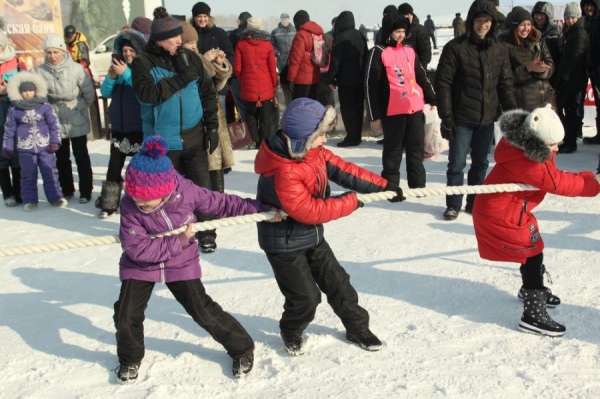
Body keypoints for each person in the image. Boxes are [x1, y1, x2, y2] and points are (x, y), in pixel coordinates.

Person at [113, 135, 282, 384]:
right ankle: (129, 359)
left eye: (145, 201)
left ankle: (242, 348)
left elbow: (222, 204)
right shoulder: (130, 207)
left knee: (202, 310)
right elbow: (139, 251)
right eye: (135, 199)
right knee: (126, 315)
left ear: (164, 191)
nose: (139, 204)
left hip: (180, 262)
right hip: (140, 266)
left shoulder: (185, 192)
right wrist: (178, 240)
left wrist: (260, 210)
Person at [254, 98, 406, 356]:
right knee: (306, 298)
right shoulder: (284, 170)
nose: (325, 140)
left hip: (311, 236)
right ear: (303, 138)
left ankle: (357, 327)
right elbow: (309, 210)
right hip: (284, 244)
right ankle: (291, 330)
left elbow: (346, 171)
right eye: (321, 135)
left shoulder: (313, 152)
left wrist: (383, 187)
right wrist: (352, 201)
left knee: (339, 284)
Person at [473, 106, 600, 337]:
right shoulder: (529, 161)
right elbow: (559, 183)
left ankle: (531, 288)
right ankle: (533, 314)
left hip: (512, 209)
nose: (557, 148)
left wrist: (589, 177)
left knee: (533, 249)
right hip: (501, 214)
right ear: (538, 140)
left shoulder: (525, 148)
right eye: (553, 144)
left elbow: (556, 176)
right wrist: (594, 184)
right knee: (532, 253)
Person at [131, 7, 220, 253]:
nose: (180, 41)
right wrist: (181, 78)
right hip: (162, 143)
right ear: (159, 40)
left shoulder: (190, 58)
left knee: (202, 190)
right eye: (174, 37)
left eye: (180, 36)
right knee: (166, 195)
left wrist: (211, 127)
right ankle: (171, 235)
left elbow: (208, 94)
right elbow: (147, 95)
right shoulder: (142, 62)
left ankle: (207, 233)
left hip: (193, 137)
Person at [435, 0, 516, 220]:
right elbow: (443, 83)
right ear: (471, 22)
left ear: (492, 23)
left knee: (481, 163)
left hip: (487, 118)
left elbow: (505, 84)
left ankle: (474, 202)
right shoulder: (456, 47)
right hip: (461, 117)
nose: (483, 25)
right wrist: (447, 116)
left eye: (487, 21)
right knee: (457, 164)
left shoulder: (499, 50)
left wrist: (513, 115)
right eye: (479, 20)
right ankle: (453, 203)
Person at [366, 12, 436, 189]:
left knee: (415, 148)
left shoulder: (409, 51)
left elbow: (421, 76)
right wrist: (374, 115)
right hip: (393, 110)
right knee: (393, 150)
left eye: (403, 32)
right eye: (397, 31)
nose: (401, 35)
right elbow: (369, 85)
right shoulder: (378, 52)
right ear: (389, 31)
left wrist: (434, 98)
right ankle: (391, 188)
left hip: (414, 107)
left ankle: (418, 186)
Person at [37, 33, 95, 204]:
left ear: (62, 51)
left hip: (75, 114)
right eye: (49, 53)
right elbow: (40, 96)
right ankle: (67, 189)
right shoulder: (40, 71)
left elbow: (88, 94)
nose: (53, 56)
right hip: (54, 118)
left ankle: (86, 190)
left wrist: (79, 108)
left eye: (55, 52)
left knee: (81, 155)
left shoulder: (76, 69)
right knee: (61, 158)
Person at [180, 21, 235, 198]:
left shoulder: (198, 57)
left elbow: (215, 84)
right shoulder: (186, 61)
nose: (194, 47)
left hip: (213, 116)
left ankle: (218, 202)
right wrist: (205, 59)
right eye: (190, 44)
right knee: (204, 165)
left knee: (216, 161)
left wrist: (219, 63)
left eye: (195, 44)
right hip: (197, 120)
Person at [97, 29, 147, 219]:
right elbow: (106, 92)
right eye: (125, 50)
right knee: (114, 165)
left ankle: (142, 200)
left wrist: (125, 73)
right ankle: (109, 203)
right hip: (119, 126)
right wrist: (111, 77)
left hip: (139, 126)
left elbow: (141, 87)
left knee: (140, 167)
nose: (128, 54)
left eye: (131, 50)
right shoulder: (118, 69)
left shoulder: (143, 68)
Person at [2, 72, 66, 211]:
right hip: (25, 148)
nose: (27, 94)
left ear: (36, 90)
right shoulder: (14, 108)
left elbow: (54, 124)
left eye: (30, 90)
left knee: (50, 172)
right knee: (28, 175)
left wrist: (55, 141)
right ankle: (29, 200)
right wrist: (7, 146)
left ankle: (55, 197)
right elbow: (9, 128)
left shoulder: (44, 106)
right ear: (19, 92)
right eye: (24, 91)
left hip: (45, 146)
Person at [234, 17, 278, 149]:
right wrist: (274, 84)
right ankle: (263, 141)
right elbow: (272, 68)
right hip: (266, 87)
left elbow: (237, 68)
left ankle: (253, 140)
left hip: (248, 85)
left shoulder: (241, 44)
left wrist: (244, 80)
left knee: (250, 115)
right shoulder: (267, 44)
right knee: (265, 116)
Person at [327, 10, 368, 147]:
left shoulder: (340, 37)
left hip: (346, 80)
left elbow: (336, 61)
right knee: (358, 108)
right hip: (361, 79)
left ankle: (352, 136)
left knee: (348, 109)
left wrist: (331, 78)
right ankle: (357, 135)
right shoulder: (360, 36)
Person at [502, 7, 554, 111]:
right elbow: (505, 78)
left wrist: (543, 70)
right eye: (522, 25)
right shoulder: (504, 46)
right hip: (523, 104)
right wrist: (528, 68)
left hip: (546, 102)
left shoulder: (538, 41)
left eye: (529, 24)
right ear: (514, 26)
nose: (526, 28)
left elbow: (550, 63)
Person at [555, 3, 589, 154]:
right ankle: (568, 140)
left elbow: (573, 58)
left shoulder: (579, 33)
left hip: (573, 79)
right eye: (568, 17)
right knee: (567, 110)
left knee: (568, 110)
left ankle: (570, 141)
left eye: (573, 17)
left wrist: (564, 78)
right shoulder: (571, 31)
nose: (570, 20)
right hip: (571, 78)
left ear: (578, 17)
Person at [190, 2, 235, 113]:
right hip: (194, 87)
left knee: (218, 124)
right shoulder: (190, 34)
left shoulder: (219, 33)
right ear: (194, 17)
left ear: (209, 17)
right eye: (199, 16)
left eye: (205, 16)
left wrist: (220, 62)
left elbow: (231, 57)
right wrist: (204, 59)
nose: (202, 19)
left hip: (216, 87)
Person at [0, 29, 25, 207]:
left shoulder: (17, 62)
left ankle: (19, 191)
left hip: (14, 109)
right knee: (1, 154)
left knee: (17, 152)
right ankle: (7, 193)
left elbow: (27, 86)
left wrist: (9, 89)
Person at [287, 10, 324, 100]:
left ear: (297, 22)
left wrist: (291, 78)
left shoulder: (300, 35)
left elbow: (296, 59)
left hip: (302, 79)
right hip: (315, 77)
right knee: (311, 106)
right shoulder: (318, 33)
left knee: (301, 107)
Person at [581, 0, 600, 144]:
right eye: (586, 5)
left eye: (591, 5)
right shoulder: (583, 22)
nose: (589, 8)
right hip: (589, 69)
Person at [228, 11, 252, 123]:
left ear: (239, 21)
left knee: (242, 107)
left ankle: (246, 134)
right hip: (253, 75)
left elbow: (229, 55)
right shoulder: (255, 36)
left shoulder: (233, 35)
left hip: (236, 75)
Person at [271, 13, 296, 108]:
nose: (285, 20)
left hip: (294, 63)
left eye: (286, 19)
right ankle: (289, 108)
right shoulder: (275, 32)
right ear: (280, 20)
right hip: (282, 65)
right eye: (283, 19)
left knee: (295, 89)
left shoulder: (295, 30)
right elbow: (271, 45)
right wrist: (277, 52)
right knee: (286, 89)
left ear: (289, 20)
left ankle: (297, 108)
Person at [397, 3, 432, 69]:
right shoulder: (395, 31)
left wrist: (418, 69)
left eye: (410, 14)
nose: (409, 16)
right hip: (399, 70)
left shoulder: (420, 30)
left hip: (416, 69)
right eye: (406, 14)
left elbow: (426, 54)